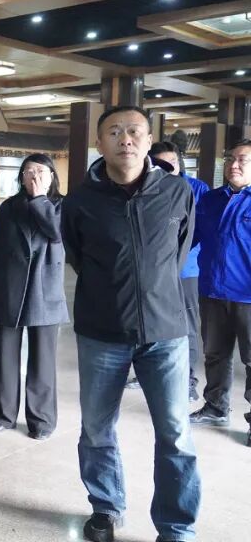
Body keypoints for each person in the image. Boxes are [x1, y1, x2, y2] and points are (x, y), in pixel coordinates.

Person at [61, 105, 200, 542]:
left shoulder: (177, 191)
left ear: (148, 139)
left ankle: (176, 527)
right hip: (101, 332)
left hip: (166, 332)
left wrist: (153, 293)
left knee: (175, 433)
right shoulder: (80, 201)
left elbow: (178, 253)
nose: (126, 139)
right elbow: (77, 256)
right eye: (115, 132)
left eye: (135, 131)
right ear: (99, 143)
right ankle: (106, 506)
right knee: (97, 428)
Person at [0, 154, 68, 440]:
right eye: (28, 171)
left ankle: (41, 421)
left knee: (43, 360)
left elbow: (56, 234)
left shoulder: (61, 206)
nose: (34, 176)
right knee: (6, 358)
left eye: (41, 171)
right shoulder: (7, 208)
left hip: (46, 290)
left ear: (52, 176)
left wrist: (40, 198)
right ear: (20, 177)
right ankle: (4, 415)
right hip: (10, 288)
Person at [127, 141, 209, 401]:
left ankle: (189, 381)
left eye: (171, 162)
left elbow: (196, 230)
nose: (167, 167)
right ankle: (145, 373)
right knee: (146, 322)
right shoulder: (143, 187)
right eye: (160, 163)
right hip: (151, 274)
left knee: (186, 325)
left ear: (179, 162)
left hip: (185, 272)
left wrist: (174, 256)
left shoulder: (196, 188)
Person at [189, 139, 251, 447]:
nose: (233, 165)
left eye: (242, 160)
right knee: (215, 354)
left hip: (248, 296)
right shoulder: (210, 200)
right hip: (212, 291)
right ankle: (215, 407)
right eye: (229, 159)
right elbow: (189, 238)